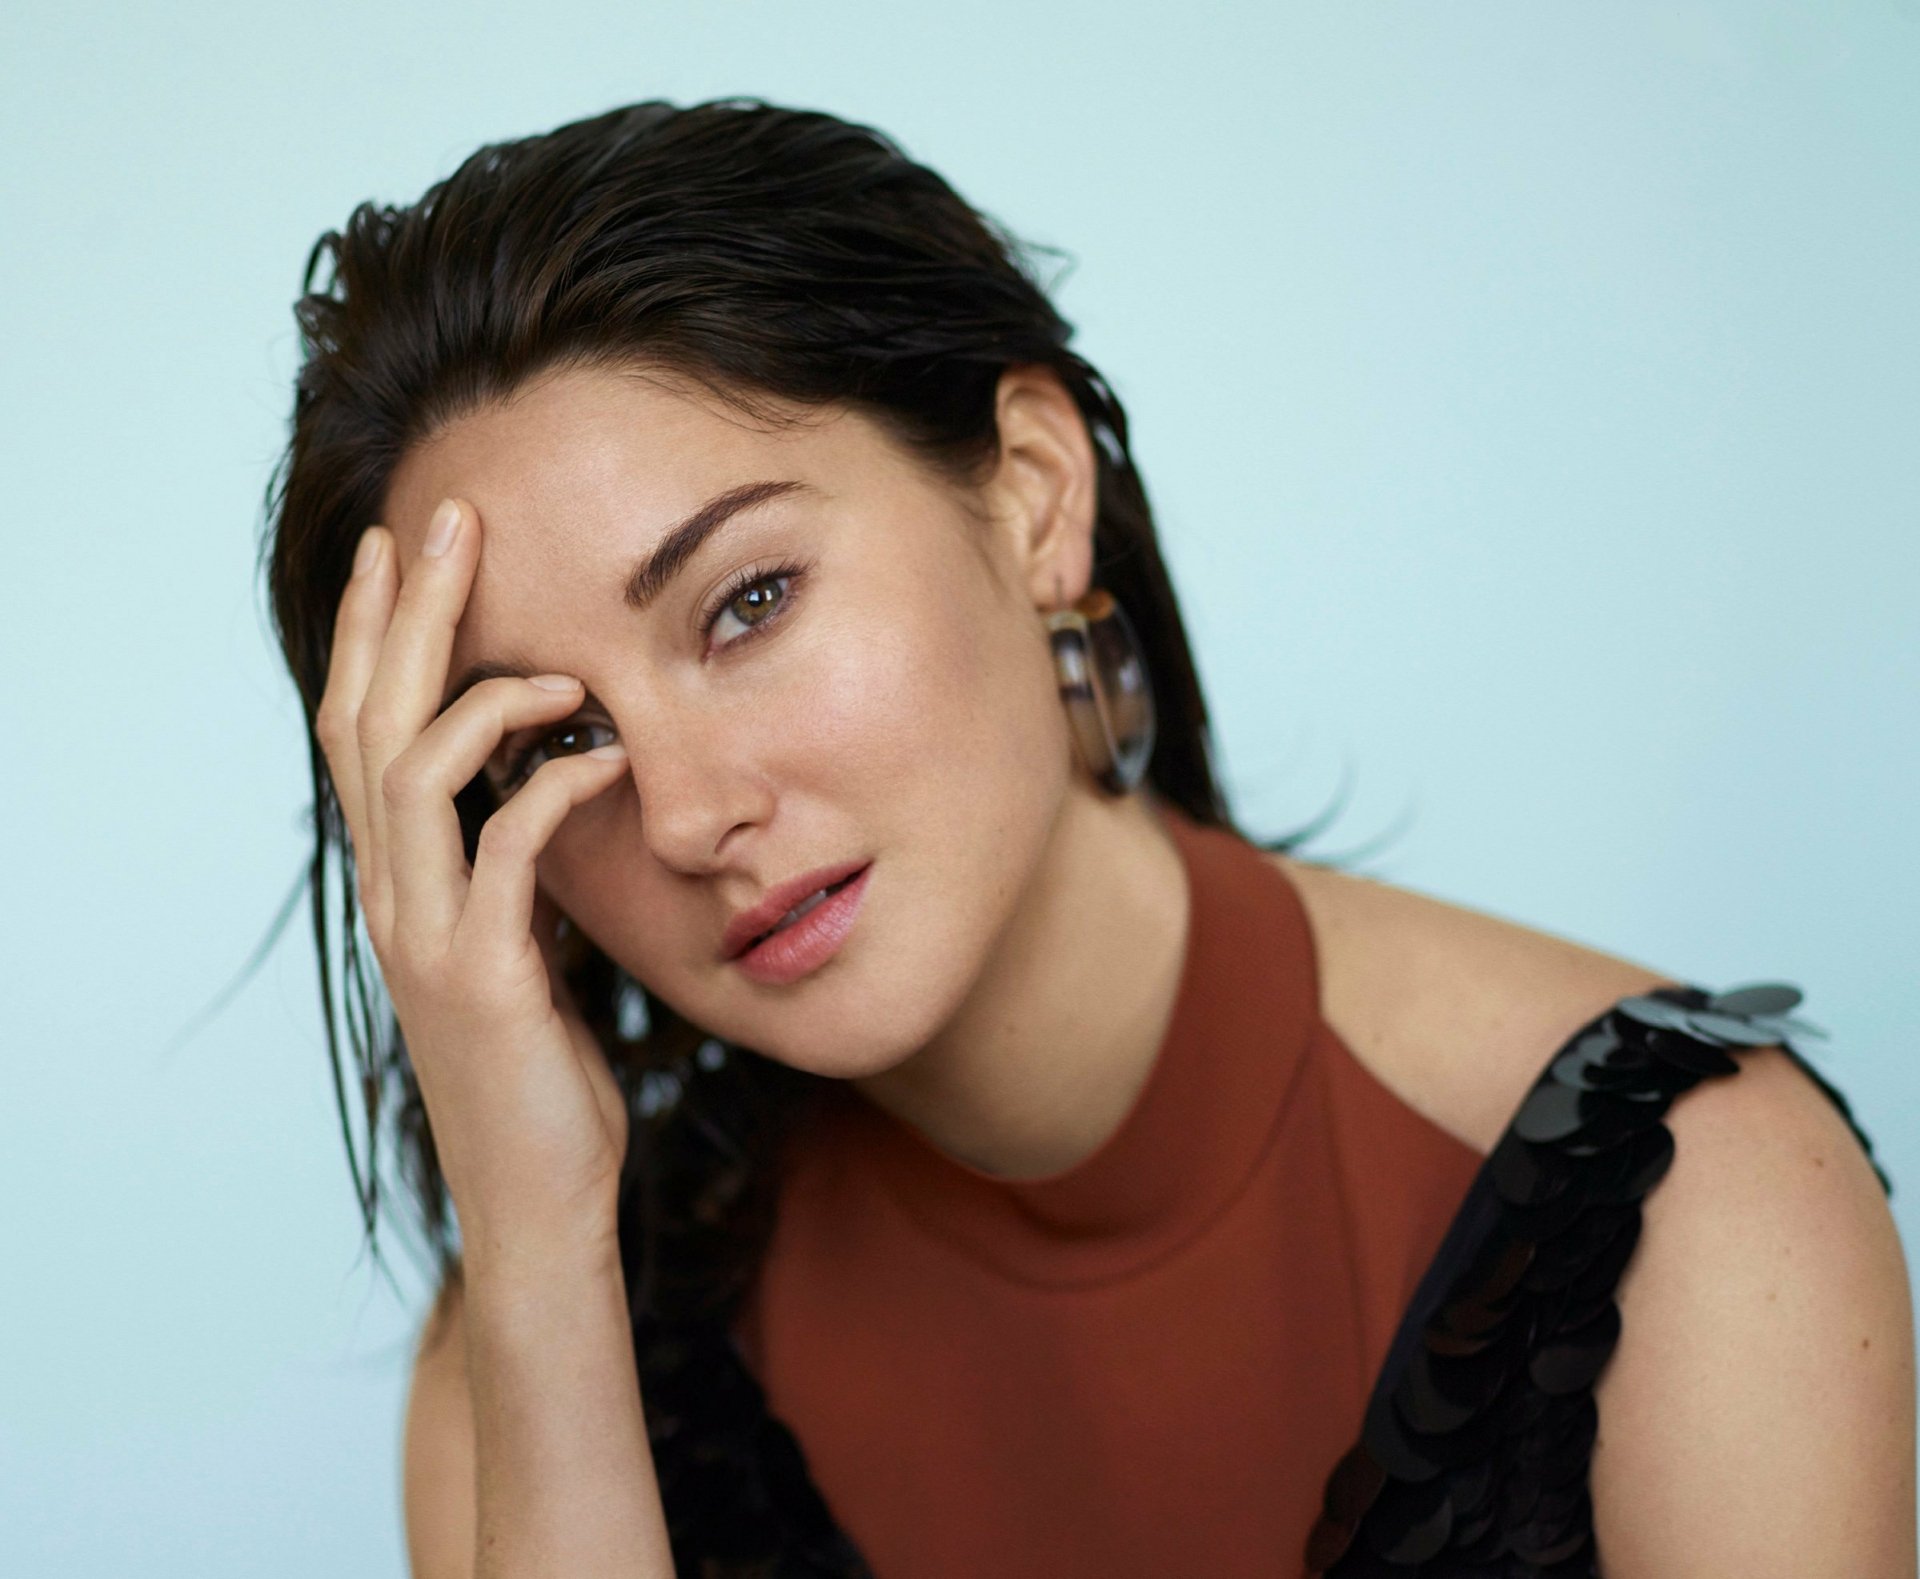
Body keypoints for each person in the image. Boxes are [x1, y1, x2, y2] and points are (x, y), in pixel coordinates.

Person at [260, 98, 1915, 1578]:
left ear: (1033, 495)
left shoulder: (1698, 1214)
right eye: (555, 740)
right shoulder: (540, 1351)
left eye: (748, 603)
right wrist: (538, 1254)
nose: (690, 817)